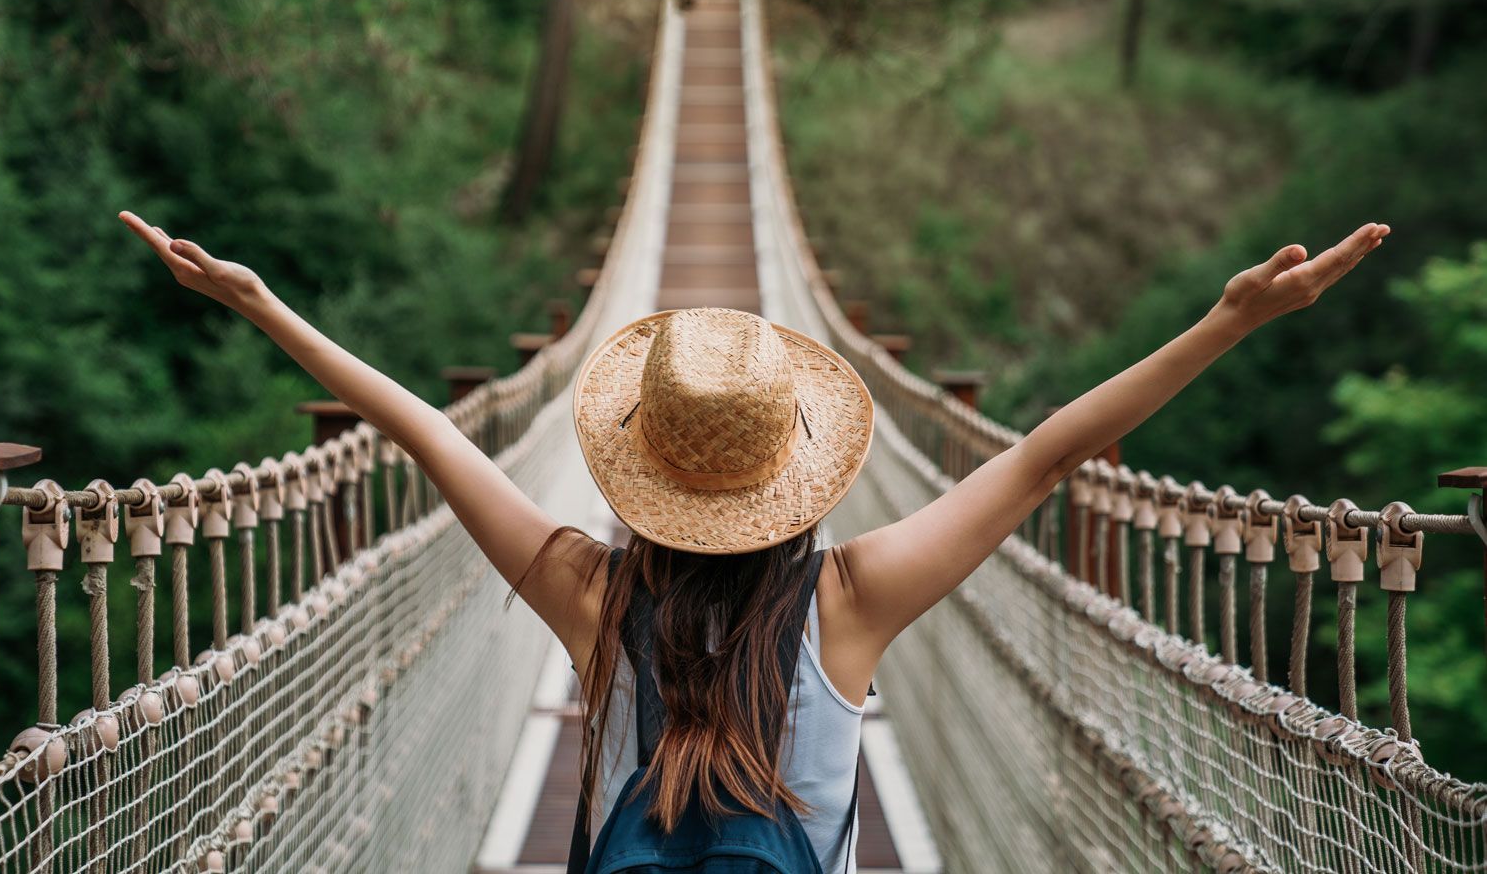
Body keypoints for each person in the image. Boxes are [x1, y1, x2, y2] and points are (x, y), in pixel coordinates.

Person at [118, 210, 1388, 872]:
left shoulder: (586, 594)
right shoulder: (858, 596)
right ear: (796, 468)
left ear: (636, 472)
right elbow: (1049, 451)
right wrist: (1229, 321)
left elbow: (422, 435)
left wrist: (258, 301)